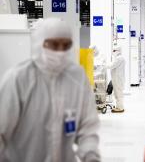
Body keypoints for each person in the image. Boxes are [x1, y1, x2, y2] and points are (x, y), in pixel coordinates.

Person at [0, 18, 101, 162]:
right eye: (54, 44)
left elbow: (87, 127)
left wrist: (91, 155)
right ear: (39, 44)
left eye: (66, 45)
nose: (60, 51)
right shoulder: (18, 79)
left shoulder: (77, 78)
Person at [106, 46, 125, 113]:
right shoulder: (118, 58)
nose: (113, 52)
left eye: (114, 51)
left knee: (118, 94)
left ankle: (120, 108)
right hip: (117, 79)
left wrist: (103, 65)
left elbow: (112, 66)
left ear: (118, 51)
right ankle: (118, 106)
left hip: (118, 79)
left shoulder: (119, 58)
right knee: (117, 93)